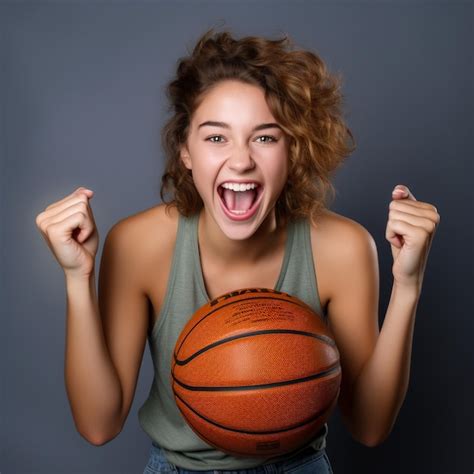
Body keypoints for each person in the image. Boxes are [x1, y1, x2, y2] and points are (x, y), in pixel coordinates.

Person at [35, 28, 440, 474]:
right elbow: (98, 425)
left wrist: (408, 285)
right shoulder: (138, 245)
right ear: (185, 151)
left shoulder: (342, 248)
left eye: (265, 137)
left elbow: (369, 427)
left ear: (294, 150)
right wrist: (77, 278)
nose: (242, 159)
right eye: (216, 138)